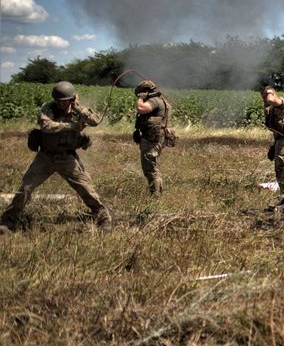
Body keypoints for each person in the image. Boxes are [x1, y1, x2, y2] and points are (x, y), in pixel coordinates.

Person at [0, 81, 111, 233]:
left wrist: (79, 108)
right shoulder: (48, 108)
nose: (60, 104)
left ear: (71, 99)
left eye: (64, 101)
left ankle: (103, 218)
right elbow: (46, 126)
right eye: (58, 100)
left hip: (67, 158)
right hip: (45, 157)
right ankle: (8, 221)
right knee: (25, 188)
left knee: (86, 189)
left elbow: (95, 121)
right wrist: (71, 126)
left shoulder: (78, 110)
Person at [134, 79, 171, 195]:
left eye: (141, 93)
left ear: (146, 91)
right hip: (153, 137)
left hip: (152, 139)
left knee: (151, 169)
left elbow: (141, 108)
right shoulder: (160, 100)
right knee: (152, 167)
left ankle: (155, 197)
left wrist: (140, 98)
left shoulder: (155, 101)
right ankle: (155, 194)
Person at [261, 86, 284, 192]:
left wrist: (268, 93)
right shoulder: (272, 109)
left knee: (283, 167)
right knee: (278, 170)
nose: (264, 99)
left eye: (265, 96)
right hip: (279, 140)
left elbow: (271, 99)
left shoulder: (282, 103)